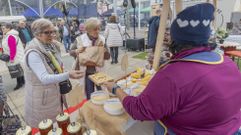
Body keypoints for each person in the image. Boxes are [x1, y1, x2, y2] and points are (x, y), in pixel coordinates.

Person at [104, 3, 241, 135]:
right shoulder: (228, 62)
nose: (167, 36)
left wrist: (116, 89)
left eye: (170, 34)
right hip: (232, 129)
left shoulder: (172, 75)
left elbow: (139, 110)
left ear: (177, 40)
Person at [23, 18, 84, 128]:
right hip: (42, 97)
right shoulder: (33, 52)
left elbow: (58, 64)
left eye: (53, 31)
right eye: (47, 32)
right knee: (47, 126)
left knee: (57, 123)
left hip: (55, 92)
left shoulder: (52, 45)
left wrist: (74, 53)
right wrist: (68, 75)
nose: (52, 34)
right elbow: (44, 78)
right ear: (37, 34)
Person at [70, 18, 106, 100]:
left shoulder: (102, 39)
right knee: (90, 95)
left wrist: (105, 51)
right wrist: (76, 51)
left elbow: (107, 57)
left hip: (99, 72)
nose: (98, 31)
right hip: (86, 73)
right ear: (88, 30)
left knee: (102, 93)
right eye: (95, 29)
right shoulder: (80, 39)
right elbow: (70, 52)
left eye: (99, 28)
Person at [1, 23, 25, 90]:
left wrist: (11, 58)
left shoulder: (10, 36)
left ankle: (19, 84)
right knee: (19, 69)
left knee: (16, 70)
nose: (2, 30)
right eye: (2, 28)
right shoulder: (8, 35)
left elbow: (13, 48)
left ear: (9, 28)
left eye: (4, 28)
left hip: (15, 56)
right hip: (17, 55)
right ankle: (22, 82)